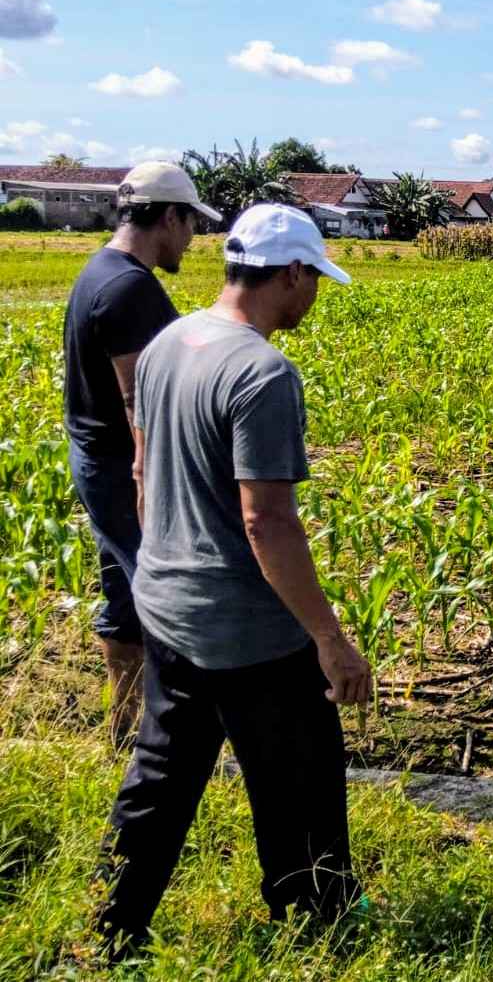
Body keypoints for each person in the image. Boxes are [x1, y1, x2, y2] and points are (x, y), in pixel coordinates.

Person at [94, 204, 372, 959]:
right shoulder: (262, 372)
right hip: (246, 626)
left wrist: (166, 566)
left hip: (167, 602)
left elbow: (142, 470)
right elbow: (267, 523)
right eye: (313, 278)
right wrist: (330, 639)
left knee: (162, 770)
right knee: (301, 776)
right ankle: (318, 925)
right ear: (289, 274)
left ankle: (111, 923)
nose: (314, 294)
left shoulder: (167, 343)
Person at [63, 161, 220, 748]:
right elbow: (141, 401)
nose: (193, 238)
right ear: (168, 216)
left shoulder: (97, 271)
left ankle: (122, 734)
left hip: (95, 460)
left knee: (124, 601)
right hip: (123, 469)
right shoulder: (130, 287)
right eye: (190, 224)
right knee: (164, 598)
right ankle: (169, 745)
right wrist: (156, 484)